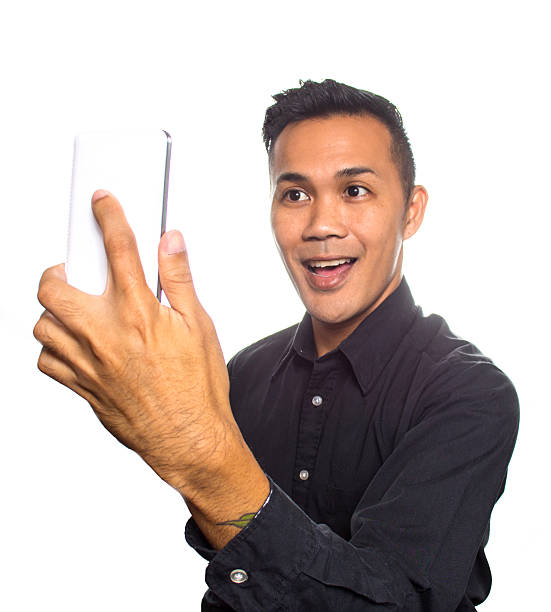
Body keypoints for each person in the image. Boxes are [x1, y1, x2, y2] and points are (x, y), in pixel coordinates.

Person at [33, 79, 519, 611]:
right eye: (295, 194)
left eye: (354, 190)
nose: (321, 225)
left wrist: (200, 454)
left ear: (411, 211)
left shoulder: (470, 395)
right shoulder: (244, 374)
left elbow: (392, 602)